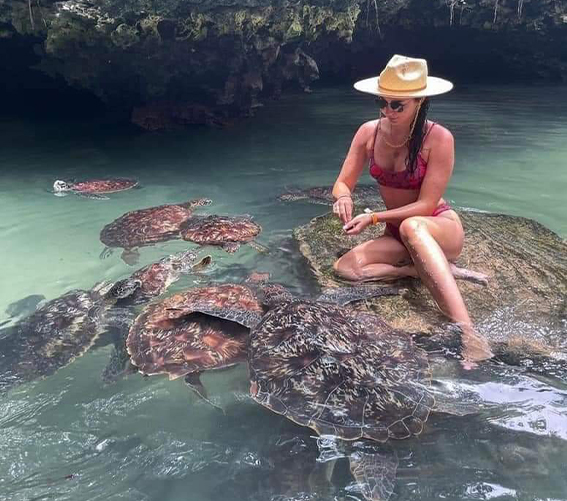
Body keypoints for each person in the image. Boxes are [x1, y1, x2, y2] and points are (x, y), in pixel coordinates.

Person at [331, 54, 493, 365]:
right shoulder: (368, 132)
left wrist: (374, 217)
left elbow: (426, 205)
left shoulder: (439, 138)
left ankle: (469, 333)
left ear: (420, 102)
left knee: (412, 225)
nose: (387, 111)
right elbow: (342, 183)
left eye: (397, 105)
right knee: (346, 268)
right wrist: (343, 198)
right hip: (397, 234)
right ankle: (419, 270)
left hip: (437, 227)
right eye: (382, 102)